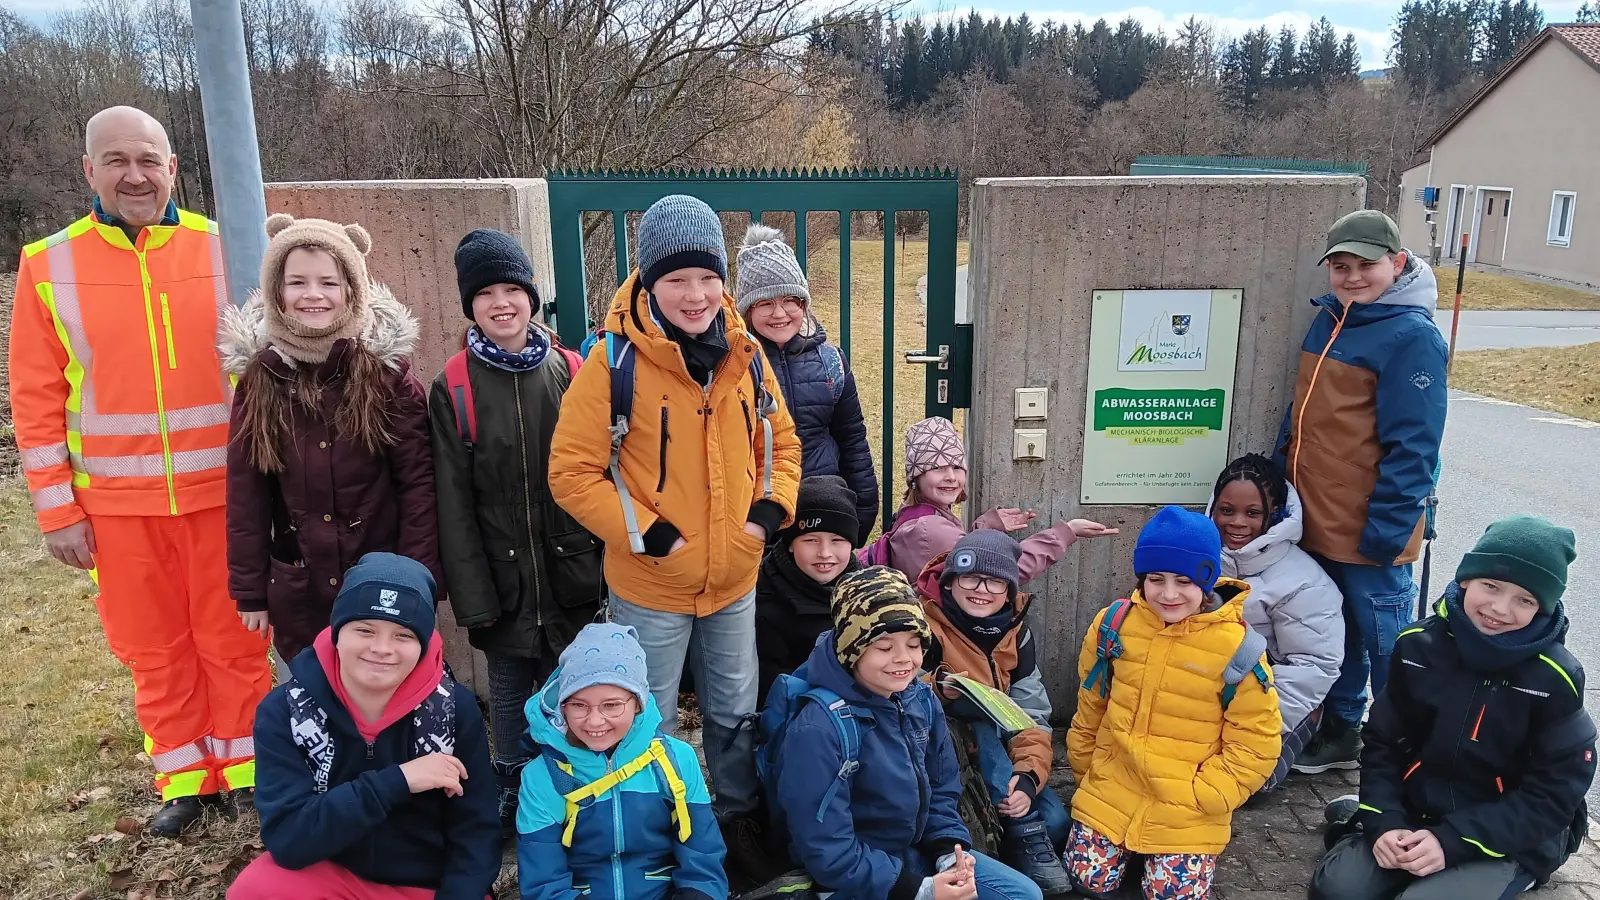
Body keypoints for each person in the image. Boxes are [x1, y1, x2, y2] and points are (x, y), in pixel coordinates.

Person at [9, 105, 270, 836]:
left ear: (173, 168)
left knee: (236, 638)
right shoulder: (48, 265)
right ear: (89, 170)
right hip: (116, 509)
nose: (134, 174)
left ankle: (246, 769)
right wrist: (58, 513)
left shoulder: (230, 250)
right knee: (153, 648)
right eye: (117, 160)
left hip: (221, 496)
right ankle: (184, 776)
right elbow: (35, 399)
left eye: (149, 159)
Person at [547, 194, 802, 883]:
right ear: (649, 283)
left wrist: (766, 517)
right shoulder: (614, 363)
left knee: (734, 716)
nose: (695, 295)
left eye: (707, 278)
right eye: (676, 280)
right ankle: (655, 838)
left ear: (724, 279)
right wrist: (648, 536)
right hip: (651, 586)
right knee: (648, 723)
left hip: (734, 581)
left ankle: (735, 825)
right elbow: (570, 473)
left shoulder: (746, 355)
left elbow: (781, 445)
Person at [1307, 516, 1595, 900]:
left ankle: (1520, 871)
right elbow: (1383, 743)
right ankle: (1362, 826)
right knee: (1338, 892)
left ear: (1542, 608)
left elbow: (1553, 796)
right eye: (1490, 586)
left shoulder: (1556, 678)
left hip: (1507, 832)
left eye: (1524, 600)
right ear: (1465, 579)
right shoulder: (1416, 647)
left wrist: (1452, 841)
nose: (1500, 608)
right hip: (1417, 813)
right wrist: (1386, 821)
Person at [429, 229, 603, 835]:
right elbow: (453, 502)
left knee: (571, 683)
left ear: (533, 298)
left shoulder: (573, 370)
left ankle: (571, 781)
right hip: (500, 577)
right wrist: (473, 597)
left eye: (513, 289)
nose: (502, 303)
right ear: (470, 306)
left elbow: (597, 474)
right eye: (486, 294)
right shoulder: (454, 385)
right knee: (507, 686)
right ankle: (510, 782)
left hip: (571, 570)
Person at [223, 213, 439, 665]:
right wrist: (250, 590)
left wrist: (418, 578)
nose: (313, 295)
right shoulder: (261, 380)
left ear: (352, 291)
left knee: (386, 695)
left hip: (380, 585)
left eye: (329, 283)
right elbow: (246, 494)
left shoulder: (386, 377)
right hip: (300, 590)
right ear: (276, 292)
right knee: (316, 699)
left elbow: (419, 485)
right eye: (297, 282)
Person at [1276, 209, 1448, 774]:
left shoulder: (1413, 337)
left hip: (1371, 526)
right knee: (1339, 632)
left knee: (1387, 643)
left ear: (1396, 264)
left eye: (1366, 265)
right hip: (1317, 518)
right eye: (1341, 266)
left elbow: (1415, 447)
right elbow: (1301, 415)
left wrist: (1388, 530)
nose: (1352, 277)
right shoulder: (1332, 318)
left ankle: (1409, 749)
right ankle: (1343, 730)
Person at [229, 552, 500, 900]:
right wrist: (398, 781)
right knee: (255, 891)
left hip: (426, 883)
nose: (381, 649)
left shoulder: (452, 709)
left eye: (403, 635)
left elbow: (476, 831)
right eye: (365, 630)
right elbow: (288, 840)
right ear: (337, 632)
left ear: (423, 644)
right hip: (333, 874)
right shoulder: (286, 710)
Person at [771, 566, 1044, 900]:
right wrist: (920, 890)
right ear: (851, 649)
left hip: (916, 853)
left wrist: (947, 853)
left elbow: (943, 789)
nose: (903, 660)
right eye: (884, 648)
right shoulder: (818, 729)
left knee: (1024, 895)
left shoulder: (921, 699)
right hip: (854, 876)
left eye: (915, 644)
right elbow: (826, 848)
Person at [1065, 506, 1281, 900]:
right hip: (1113, 787)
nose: (1168, 594)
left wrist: (1209, 795)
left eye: (1183, 580)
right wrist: (1086, 767)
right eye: (1155, 579)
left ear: (1207, 579)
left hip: (1188, 806)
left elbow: (1256, 742)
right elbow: (1091, 705)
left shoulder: (1239, 648)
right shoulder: (1113, 625)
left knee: (1172, 895)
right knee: (1085, 881)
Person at [515, 623, 728, 900]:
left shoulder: (676, 761)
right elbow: (543, 882)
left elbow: (703, 855)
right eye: (578, 704)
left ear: (638, 703)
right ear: (561, 705)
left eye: (612, 705)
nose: (594, 721)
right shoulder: (543, 775)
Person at [915, 530, 1072, 895]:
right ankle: (1019, 834)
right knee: (978, 712)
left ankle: (1018, 825)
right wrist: (939, 687)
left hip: (1004, 753)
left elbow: (1031, 714)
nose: (982, 589)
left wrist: (1028, 776)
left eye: (996, 582)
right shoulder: (924, 623)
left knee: (1058, 825)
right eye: (971, 577)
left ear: (1009, 590)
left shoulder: (1016, 633)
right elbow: (899, 685)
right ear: (951, 582)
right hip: (948, 753)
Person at [1206, 453, 1344, 790]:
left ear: (1276, 515)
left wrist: (1248, 727)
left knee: (1241, 784)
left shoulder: (1304, 581)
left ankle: (1305, 730)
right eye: (1227, 511)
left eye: (1253, 513)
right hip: (1211, 695)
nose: (1237, 523)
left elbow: (1313, 667)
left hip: (1272, 704)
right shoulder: (1201, 560)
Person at [735, 224, 878, 544]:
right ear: (746, 310)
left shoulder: (831, 362)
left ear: (804, 303)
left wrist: (864, 509)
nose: (779, 313)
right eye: (764, 303)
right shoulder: (734, 366)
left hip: (823, 515)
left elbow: (853, 440)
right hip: (757, 520)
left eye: (790, 300)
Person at [866, 415, 1116, 583]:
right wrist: (1066, 532)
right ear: (916, 477)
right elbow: (1000, 570)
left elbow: (950, 554)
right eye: (938, 468)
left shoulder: (920, 514)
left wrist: (985, 527)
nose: (951, 477)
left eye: (956, 466)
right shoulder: (928, 528)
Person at [755, 475, 863, 704]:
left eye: (837, 540)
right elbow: (771, 688)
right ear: (791, 543)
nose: (824, 552)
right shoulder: (766, 597)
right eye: (811, 540)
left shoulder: (865, 589)